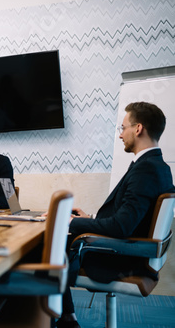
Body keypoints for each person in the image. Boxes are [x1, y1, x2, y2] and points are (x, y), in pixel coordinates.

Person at [56, 102, 175, 328]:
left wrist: (75, 222)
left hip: (121, 258)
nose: (120, 135)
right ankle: (66, 317)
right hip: (131, 252)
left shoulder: (146, 169)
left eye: (123, 128)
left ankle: (62, 318)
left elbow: (122, 227)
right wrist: (89, 218)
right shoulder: (158, 165)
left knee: (51, 250)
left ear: (138, 129)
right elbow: (128, 218)